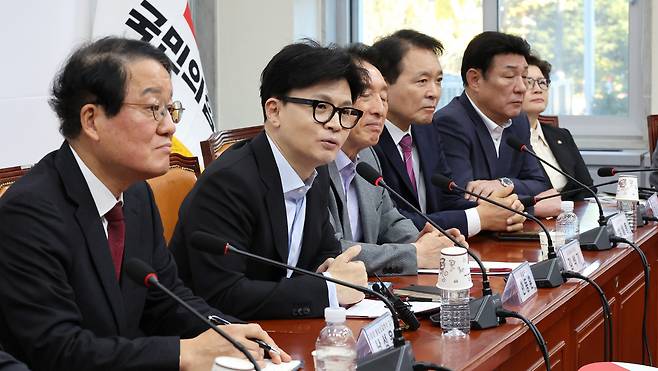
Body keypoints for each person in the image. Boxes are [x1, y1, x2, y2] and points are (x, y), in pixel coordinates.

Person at [0, 37, 288, 371]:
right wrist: (185, 354)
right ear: (91, 120)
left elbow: (166, 300)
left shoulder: (136, 195)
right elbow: (58, 349)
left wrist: (224, 329)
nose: (169, 126)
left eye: (170, 109)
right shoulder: (30, 213)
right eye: (153, 109)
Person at [170, 41, 368, 320]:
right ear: (273, 111)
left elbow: (324, 258)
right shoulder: (229, 183)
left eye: (346, 112)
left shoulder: (316, 172)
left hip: (284, 333)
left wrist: (335, 277)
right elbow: (221, 295)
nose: (335, 124)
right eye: (321, 107)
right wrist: (327, 291)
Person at [327, 43, 467, 275]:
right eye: (365, 95)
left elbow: (390, 221)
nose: (379, 110)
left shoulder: (367, 157)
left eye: (383, 98)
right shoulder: (316, 163)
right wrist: (414, 253)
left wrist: (430, 242)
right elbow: (330, 248)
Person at [369, 29, 525, 237]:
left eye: (439, 80)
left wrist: (499, 209)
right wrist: (480, 218)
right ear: (384, 85)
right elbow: (394, 220)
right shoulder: (368, 141)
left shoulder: (426, 129)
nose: (434, 92)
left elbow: (447, 198)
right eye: (422, 81)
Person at [433, 32, 551, 204]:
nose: (521, 88)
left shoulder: (519, 122)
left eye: (524, 77)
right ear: (475, 80)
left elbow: (540, 185)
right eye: (510, 76)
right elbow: (463, 198)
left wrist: (503, 184)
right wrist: (531, 208)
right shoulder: (451, 122)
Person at [522, 54, 595, 214]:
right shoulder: (509, 141)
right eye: (528, 83)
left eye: (542, 82)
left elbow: (587, 189)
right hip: (534, 223)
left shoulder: (561, 135)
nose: (537, 89)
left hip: (571, 219)